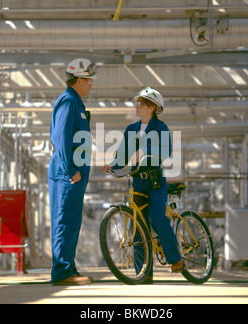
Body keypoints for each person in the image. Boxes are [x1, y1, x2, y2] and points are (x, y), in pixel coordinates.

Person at [103, 87, 184, 283]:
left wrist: (148, 153)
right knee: (137, 226)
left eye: (141, 104)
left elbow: (166, 152)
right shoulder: (131, 129)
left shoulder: (160, 127)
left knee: (157, 219)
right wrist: (112, 166)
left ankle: (176, 259)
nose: (137, 106)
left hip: (155, 182)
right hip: (137, 181)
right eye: (137, 103)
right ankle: (143, 273)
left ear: (152, 108)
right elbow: (122, 155)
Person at [48, 58, 96, 286]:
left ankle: (69, 267)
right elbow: (61, 137)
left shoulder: (75, 102)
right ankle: (62, 271)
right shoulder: (68, 101)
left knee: (71, 220)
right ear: (78, 80)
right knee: (64, 220)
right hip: (68, 172)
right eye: (88, 80)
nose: (91, 84)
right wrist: (70, 169)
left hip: (74, 170)